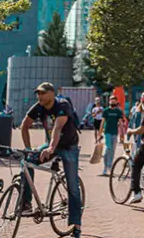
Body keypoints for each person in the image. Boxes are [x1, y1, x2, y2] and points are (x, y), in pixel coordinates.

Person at [20, 82, 83, 238]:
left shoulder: (62, 105)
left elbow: (57, 128)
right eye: (38, 93)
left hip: (68, 147)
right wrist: (28, 149)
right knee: (27, 163)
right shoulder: (39, 107)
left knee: (73, 186)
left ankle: (76, 226)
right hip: (50, 146)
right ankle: (26, 203)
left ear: (51, 93)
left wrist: (51, 148)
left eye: (42, 93)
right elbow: (24, 125)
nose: (39, 96)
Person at [100, 95, 125, 176]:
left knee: (113, 150)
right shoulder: (106, 111)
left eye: (114, 101)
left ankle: (110, 167)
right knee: (108, 149)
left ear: (116, 102)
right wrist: (99, 133)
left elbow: (120, 123)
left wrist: (122, 134)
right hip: (107, 132)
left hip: (115, 133)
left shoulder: (118, 111)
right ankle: (105, 167)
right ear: (109, 101)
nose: (112, 102)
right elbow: (102, 122)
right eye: (111, 100)